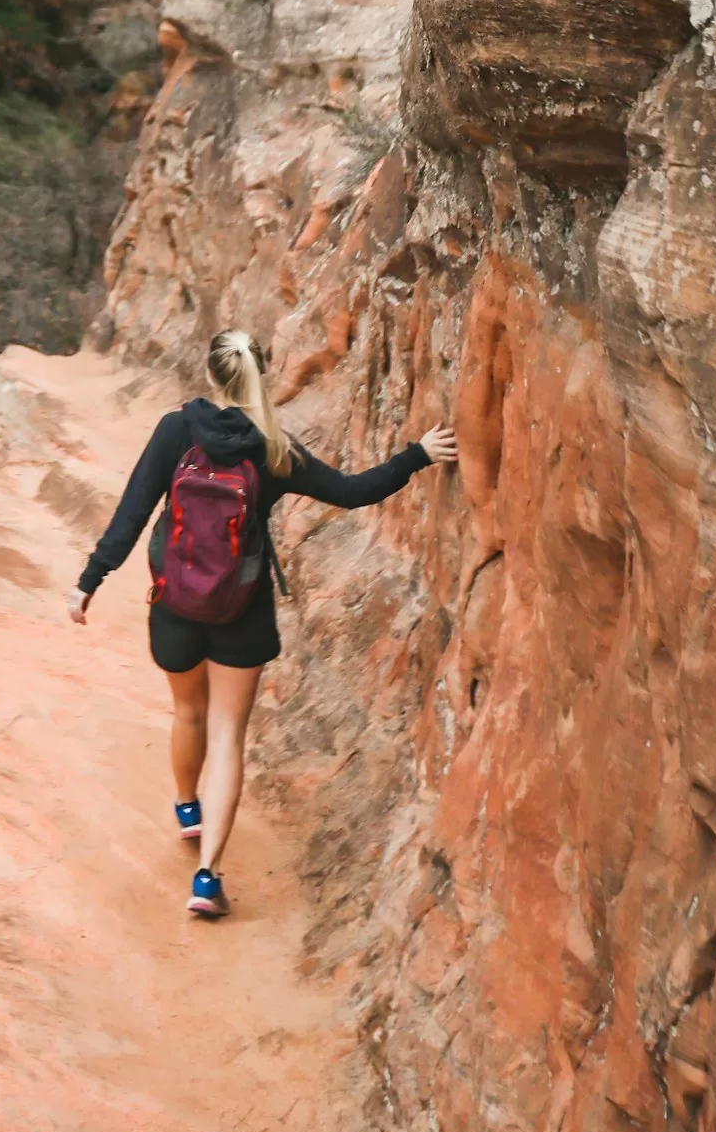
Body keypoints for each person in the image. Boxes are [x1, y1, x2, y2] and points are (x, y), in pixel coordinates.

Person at [68, 327, 457, 918]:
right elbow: (353, 493)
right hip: (241, 615)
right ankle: (206, 881)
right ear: (261, 376)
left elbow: (132, 512)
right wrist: (419, 453)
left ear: (211, 374)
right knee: (227, 736)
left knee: (187, 712)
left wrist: (88, 582)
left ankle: (185, 808)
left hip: (174, 608)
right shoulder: (273, 448)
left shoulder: (177, 431)